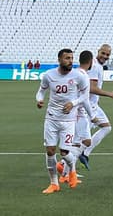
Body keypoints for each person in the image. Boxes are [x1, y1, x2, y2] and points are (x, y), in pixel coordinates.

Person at [35, 48, 89, 194]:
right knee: (50, 151)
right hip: (51, 118)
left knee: (65, 152)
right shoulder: (49, 75)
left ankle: (71, 170)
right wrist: (40, 100)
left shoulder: (79, 76)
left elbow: (85, 96)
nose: (70, 61)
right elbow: (41, 90)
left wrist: (74, 103)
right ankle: (54, 184)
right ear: (59, 59)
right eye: (67, 58)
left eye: (72, 58)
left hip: (69, 120)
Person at [80, 44, 113, 168]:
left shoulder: (98, 66)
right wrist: (110, 94)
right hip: (87, 107)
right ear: (98, 51)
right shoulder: (94, 66)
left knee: (106, 127)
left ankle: (85, 154)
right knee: (81, 140)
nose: (105, 56)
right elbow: (92, 88)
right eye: (103, 53)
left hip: (93, 105)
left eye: (107, 54)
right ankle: (64, 166)